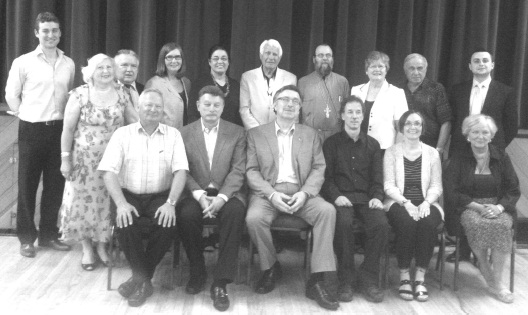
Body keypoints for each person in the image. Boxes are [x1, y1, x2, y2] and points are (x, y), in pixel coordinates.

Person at [245, 85, 338, 310]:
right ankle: (270, 267)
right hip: (269, 192)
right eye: (284, 100)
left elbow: (318, 168)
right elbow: (251, 171)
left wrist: (305, 193)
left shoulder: (310, 134)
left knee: (328, 211)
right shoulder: (256, 134)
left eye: (295, 101)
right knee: (253, 218)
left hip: (301, 191)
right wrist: (271, 194)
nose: (289, 104)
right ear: (274, 105)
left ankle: (317, 279)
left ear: (299, 108)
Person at [98, 88, 188, 307]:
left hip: (161, 196)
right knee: (125, 223)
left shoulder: (174, 135)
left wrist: (171, 203)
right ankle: (144, 279)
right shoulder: (122, 134)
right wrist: (120, 204)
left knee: (167, 223)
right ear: (138, 108)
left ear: (163, 111)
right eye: (148, 105)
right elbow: (108, 171)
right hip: (128, 195)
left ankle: (139, 278)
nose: (153, 110)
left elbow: (181, 172)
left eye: (158, 106)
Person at [5, 12, 75, 258]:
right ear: (36, 33)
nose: (50, 35)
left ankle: (48, 235)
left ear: (60, 33)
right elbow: (11, 94)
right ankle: (26, 238)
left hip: (59, 130)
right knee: (27, 185)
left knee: (55, 186)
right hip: (31, 129)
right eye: (45, 30)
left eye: (55, 30)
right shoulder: (23, 62)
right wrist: (26, 113)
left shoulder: (68, 63)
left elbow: (70, 98)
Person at [59, 54, 138, 271]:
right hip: (83, 162)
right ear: (90, 71)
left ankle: (103, 246)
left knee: (107, 203)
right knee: (82, 202)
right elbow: (67, 129)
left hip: (113, 162)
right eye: (100, 67)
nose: (105, 71)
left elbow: (135, 121)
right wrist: (65, 159)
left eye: (109, 67)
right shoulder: (79, 95)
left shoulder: (122, 94)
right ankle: (86, 248)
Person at [179, 86, 247, 311]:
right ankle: (197, 271)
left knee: (236, 213)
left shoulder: (237, 132)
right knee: (187, 214)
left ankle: (221, 281)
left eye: (216, 105)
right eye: (206, 104)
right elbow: (181, 170)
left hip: (226, 192)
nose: (211, 109)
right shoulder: (183, 132)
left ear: (223, 107)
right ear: (198, 106)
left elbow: (238, 170)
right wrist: (199, 196)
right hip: (194, 191)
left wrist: (222, 197)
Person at [447, 49, 518, 263]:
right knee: (460, 196)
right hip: (461, 151)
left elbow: (512, 125)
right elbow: (453, 120)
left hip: (490, 151)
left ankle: (483, 252)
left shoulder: (505, 91)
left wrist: (491, 148)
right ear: (469, 66)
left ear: (492, 65)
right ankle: (462, 249)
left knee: (490, 195)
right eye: (476, 61)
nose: (481, 64)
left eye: (485, 61)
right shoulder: (458, 90)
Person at [444, 114, 519, 304]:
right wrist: (477, 206)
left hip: (499, 207)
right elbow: (452, 191)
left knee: (502, 227)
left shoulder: (501, 156)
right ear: (467, 135)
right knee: (477, 224)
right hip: (468, 207)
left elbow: (513, 189)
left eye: (485, 132)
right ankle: (487, 272)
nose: (480, 136)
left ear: (491, 135)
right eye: (475, 132)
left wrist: (499, 207)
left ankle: (497, 281)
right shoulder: (458, 158)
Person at [321, 95, 389, 303]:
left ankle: (368, 279)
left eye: (358, 112)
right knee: (343, 223)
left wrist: (377, 197)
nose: (354, 116)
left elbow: (378, 178)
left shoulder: (373, 145)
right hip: (341, 198)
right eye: (349, 112)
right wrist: (337, 196)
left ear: (363, 115)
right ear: (342, 115)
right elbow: (326, 178)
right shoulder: (331, 144)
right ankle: (346, 279)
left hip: (367, 198)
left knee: (381, 225)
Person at [383, 110, 443, 302]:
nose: (412, 127)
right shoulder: (391, 152)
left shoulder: (432, 153)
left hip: (427, 202)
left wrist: (426, 203)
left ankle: (420, 277)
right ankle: (404, 276)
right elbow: (388, 185)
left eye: (417, 123)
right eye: (408, 123)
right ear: (401, 127)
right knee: (407, 223)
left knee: (427, 223)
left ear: (422, 128)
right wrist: (406, 203)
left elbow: (436, 186)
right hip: (398, 202)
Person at [351, 51, 408, 150]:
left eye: (381, 66)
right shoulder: (356, 90)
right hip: (357, 147)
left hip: (384, 149)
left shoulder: (397, 93)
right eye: (373, 66)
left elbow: (402, 129)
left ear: (386, 70)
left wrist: (396, 152)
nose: (377, 69)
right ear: (366, 71)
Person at [240, 39, 297, 130]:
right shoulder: (247, 77)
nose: (271, 57)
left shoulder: (290, 79)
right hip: (254, 133)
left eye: (275, 54)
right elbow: (244, 109)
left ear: (279, 58)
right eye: (267, 53)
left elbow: (293, 109)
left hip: (281, 133)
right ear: (261, 55)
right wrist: (258, 131)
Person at [298, 44, 350, 142]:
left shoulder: (342, 82)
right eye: (320, 55)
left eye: (328, 55)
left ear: (332, 59)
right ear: (314, 59)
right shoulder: (303, 82)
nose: (325, 58)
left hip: (336, 138)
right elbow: (298, 114)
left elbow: (347, 112)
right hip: (309, 137)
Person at [402, 53, 452, 155]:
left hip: (429, 148)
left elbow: (446, 121)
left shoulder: (436, 89)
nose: (416, 72)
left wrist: (439, 149)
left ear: (426, 69)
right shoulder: (398, 90)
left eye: (420, 68)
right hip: (402, 147)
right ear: (405, 70)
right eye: (412, 68)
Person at [188, 45, 243, 126]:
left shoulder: (236, 85)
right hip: (206, 133)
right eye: (216, 58)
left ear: (228, 62)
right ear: (209, 62)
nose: (220, 62)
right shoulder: (199, 83)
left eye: (224, 58)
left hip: (232, 134)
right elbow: (192, 114)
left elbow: (239, 115)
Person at [145, 42, 191, 129]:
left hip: (184, 136)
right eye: (169, 57)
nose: (174, 61)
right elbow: (148, 116)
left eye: (177, 57)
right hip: (162, 136)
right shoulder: (153, 83)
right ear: (163, 60)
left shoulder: (186, 82)